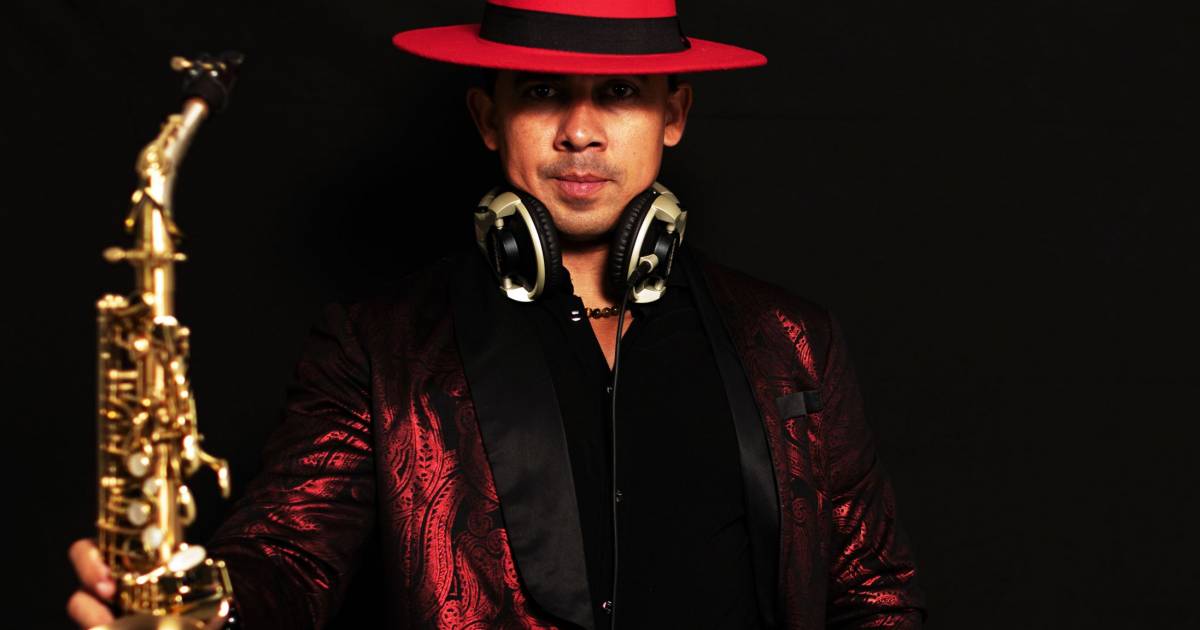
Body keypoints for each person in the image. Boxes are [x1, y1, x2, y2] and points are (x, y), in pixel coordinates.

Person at [68, 1, 925, 628]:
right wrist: (201, 607)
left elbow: (873, 594)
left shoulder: (791, 340)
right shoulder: (378, 348)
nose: (580, 132)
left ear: (674, 114)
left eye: (620, 91)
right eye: (544, 91)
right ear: (488, 117)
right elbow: (289, 559)